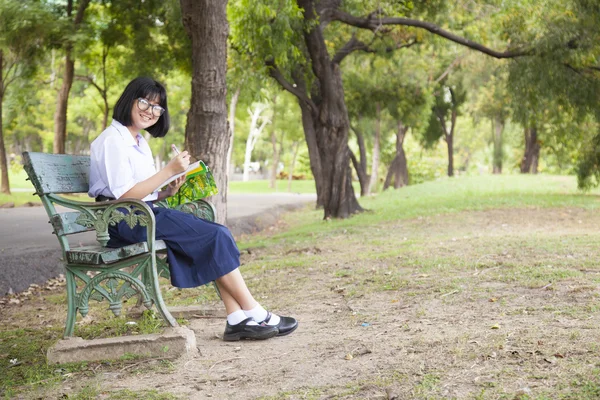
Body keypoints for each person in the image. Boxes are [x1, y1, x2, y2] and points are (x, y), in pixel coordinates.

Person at [88, 77, 298, 341]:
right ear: (129, 99)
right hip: (124, 221)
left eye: (157, 107)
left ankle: (236, 319)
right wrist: (167, 170)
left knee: (216, 233)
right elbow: (124, 195)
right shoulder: (113, 140)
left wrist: (168, 189)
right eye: (144, 102)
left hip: (143, 214)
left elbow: (140, 190)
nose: (149, 111)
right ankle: (254, 311)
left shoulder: (139, 142)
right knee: (215, 235)